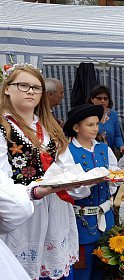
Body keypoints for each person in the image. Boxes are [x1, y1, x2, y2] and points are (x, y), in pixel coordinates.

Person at [0, 63, 79, 279]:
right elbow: (2, 182)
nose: (31, 92)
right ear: (7, 88)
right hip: (23, 218)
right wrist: (35, 191)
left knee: (55, 268)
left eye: (36, 88)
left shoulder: (48, 126)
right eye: (23, 85)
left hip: (56, 211)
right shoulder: (2, 127)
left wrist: (76, 180)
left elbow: (66, 164)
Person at [63, 104, 118, 280]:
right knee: (82, 272)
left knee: (102, 271)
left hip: (105, 220)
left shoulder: (104, 149)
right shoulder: (67, 152)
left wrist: (112, 180)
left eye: (96, 124)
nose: (95, 129)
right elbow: (71, 190)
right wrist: (93, 180)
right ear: (76, 127)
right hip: (82, 223)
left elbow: (114, 178)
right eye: (90, 125)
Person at [88, 85, 124, 155]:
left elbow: (117, 135)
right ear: (92, 99)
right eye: (99, 98)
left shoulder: (113, 115)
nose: (103, 101)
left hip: (110, 154)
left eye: (105, 99)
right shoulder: (87, 115)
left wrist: (121, 146)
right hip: (92, 154)